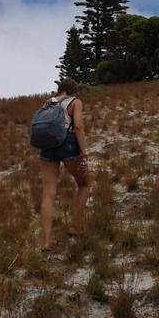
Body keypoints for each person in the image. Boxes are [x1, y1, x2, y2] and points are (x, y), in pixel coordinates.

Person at [38, 78, 90, 252]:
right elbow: (79, 126)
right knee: (84, 184)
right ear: (73, 90)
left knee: (48, 194)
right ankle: (75, 227)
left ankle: (46, 242)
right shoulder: (75, 102)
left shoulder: (47, 103)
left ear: (59, 89)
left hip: (47, 146)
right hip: (67, 143)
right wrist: (83, 153)